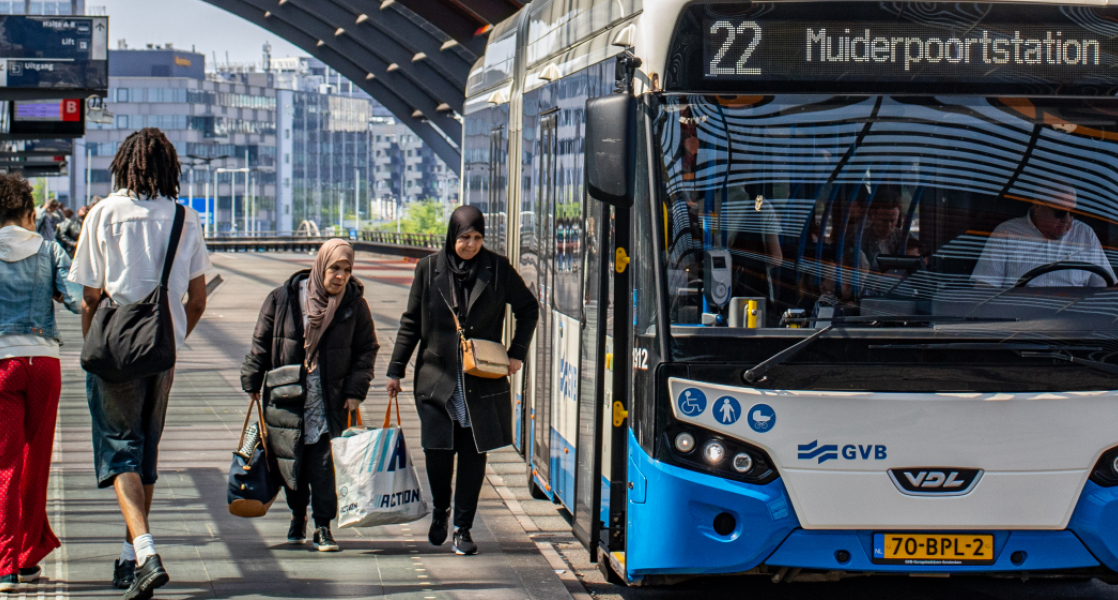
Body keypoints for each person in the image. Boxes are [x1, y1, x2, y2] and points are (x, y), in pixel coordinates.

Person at [68, 128, 211, 600]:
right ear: (170, 167)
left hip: (114, 352)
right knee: (146, 451)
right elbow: (197, 300)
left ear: (124, 165)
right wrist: (172, 339)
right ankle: (129, 559)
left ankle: (147, 554)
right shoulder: (186, 218)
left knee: (119, 450)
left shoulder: (103, 213)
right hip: (162, 353)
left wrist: (94, 343)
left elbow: (90, 296)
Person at [386, 206, 538, 556]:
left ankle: (463, 528)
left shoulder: (497, 268)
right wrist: (396, 370)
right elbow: (411, 323)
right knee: (437, 452)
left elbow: (528, 308)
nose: (471, 244)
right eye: (464, 237)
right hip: (436, 380)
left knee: (473, 455)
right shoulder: (428, 269)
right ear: (452, 236)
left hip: (481, 380)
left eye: (477, 237)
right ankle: (441, 510)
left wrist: (516, 352)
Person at [240, 239, 378, 552]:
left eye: (347, 270)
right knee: (293, 462)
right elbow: (261, 343)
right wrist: (252, 380)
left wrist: (356, 389)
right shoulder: (282, 298)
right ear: (321, 266)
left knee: (325, 466)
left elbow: (367, 349)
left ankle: (323, 526)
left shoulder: (353, 305)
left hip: (330, 398)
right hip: (287, 397)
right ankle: (297, 514)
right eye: (334, 268)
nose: (340, 276)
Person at [0, 175, 80, 594]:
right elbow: (77, 299)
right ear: (29, 214)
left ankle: (4, 565)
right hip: (44, 364)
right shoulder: (49, 250)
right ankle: (27, 556)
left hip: (1, 366)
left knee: (5, 465)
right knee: (35, 462)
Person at [972, 189, 1115, 287]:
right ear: (1038, 206)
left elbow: (1105, 288)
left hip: (1072, 319)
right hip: (1020, 319)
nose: (1067, 220)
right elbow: (984, 290)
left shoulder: (1085, 234)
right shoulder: (1006, 233)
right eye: (1060, 213)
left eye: (1072, 213)